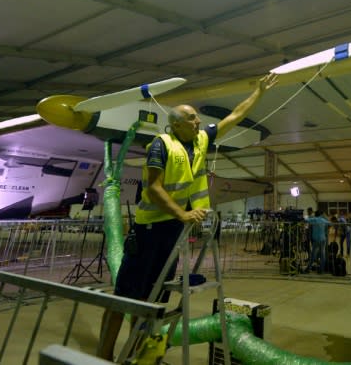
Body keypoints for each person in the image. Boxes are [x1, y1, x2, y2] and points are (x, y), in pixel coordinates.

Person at [98, 73, 277, 360]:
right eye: (192, 118)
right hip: (148, 231)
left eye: (197, 118)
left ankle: (138, 352)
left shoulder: (202, 140)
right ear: (176, 124)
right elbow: (154, 188)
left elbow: (234, 117)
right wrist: (183, 213)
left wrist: (258, 92)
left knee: (154, 299)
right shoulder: (161, 145)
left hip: (172, 231)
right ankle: (103, 355)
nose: (198, 121)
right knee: (124, 296)